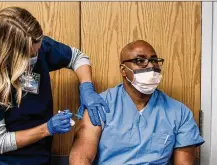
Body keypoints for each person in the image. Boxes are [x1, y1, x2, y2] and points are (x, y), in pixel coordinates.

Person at [0, 7, 109, 165]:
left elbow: (77, 57)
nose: (36, 58)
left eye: (37, 51)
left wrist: (86, 88)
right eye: (31, 55)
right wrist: (47, 128)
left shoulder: (37, 47)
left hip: (41, 158)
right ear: (9, 54)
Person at [69, 40, 205, 165]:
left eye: (154, 60)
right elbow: (80, 157)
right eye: (140, 60)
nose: (151, 66)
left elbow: (184, 163)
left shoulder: (179, 113)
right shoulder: (100, 105)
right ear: (123, 70)